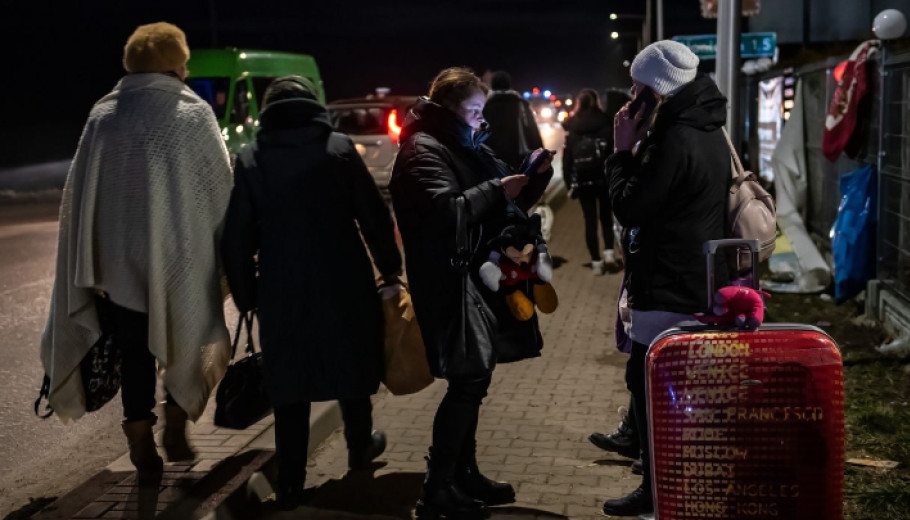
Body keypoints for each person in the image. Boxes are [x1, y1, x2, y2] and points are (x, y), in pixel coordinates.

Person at [40, 22, 232, 489]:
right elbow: (220, 187)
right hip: (180, 257)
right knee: (183, 329)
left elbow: (83, 194)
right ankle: (175, 423)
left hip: (118, 265)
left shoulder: (104, 115)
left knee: (134, 350)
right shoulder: (193, 114)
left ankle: (141, 438)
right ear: (175, 63)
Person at [221, 76, 403, 510]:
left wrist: (247, 295)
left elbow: (236, 238)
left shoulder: (250, 158)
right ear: (313, 106)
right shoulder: (338, 148)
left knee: (289, 378)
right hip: (344, 274)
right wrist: (391, 268)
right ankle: (360, 447)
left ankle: (290, 481)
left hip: (282, 282)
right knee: (352, 359)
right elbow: (372, 214)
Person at [389, 67, 553, 520]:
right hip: (449, 281)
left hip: (474, 277)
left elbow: (505, 202)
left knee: (474, 379)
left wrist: (532, 177)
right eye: (474, 111)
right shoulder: (423, 149)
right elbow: (447, 213)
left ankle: (463, 474)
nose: (481, 120)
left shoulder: (461, 143)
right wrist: (497, 188)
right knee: (468, 380)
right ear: (450, 108)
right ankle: (438, 486)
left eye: (482, 111)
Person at [601, 40, 730, 517]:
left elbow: (631, 205)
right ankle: (667, 483)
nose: (631, 96)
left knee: (650, 385)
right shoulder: (707, 126)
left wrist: (620, 153)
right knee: (662, 386)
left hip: (668, 280)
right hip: (694, 276)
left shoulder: (673, 137)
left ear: (658, 90)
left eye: (638, 87)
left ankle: (657, 492)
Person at [562, 88, 618, 275]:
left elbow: (567, 158)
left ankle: (595, 262)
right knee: (606, 218)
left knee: (590, 220)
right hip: (603, 177)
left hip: (583, 179)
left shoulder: (573, 126)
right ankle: (609, 254)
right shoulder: (605, 121)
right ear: (596, 102)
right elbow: (612, 151)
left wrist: (569, 183)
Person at [482, 70, 544, 170]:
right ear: (509, 84)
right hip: (519, 157)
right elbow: (532, 131)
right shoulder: (521, 104)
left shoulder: (486, 106)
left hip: (495, 159)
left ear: (492, 85)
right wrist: (540, 154)